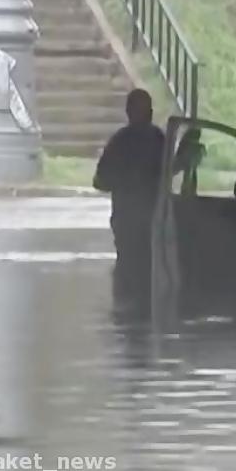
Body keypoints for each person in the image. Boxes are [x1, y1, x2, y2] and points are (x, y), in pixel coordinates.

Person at [93, 89, 164, 312]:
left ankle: (130, 315)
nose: (148, 115)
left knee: (136, 273)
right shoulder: (125, 142)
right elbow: (100, 181)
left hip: (142, 221)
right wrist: (130, 180)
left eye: (148, 110)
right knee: (136, 272)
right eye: (144, 110)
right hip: (135, 222)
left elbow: (100, 181)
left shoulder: (153, 139)